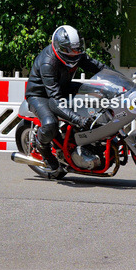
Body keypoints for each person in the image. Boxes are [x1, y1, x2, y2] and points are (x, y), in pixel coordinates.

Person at [25, 25, 107, 172]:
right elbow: (55, 101)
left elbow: (99, 67)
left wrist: (123, 83)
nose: (73, 53)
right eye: (69, 49)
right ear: (58, 47)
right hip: (41, 95)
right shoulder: (48, 62)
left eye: (76, 49)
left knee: (96, 92)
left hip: (62, 87)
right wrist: (78, 119)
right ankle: (41, 145)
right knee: (50, 124)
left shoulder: (76, 55)